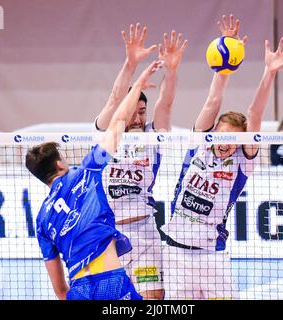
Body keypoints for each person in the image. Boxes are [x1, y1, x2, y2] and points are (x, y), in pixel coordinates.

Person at [161, 14, 283, 299]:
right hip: (174, 252)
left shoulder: (242, 162)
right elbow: (213, 100)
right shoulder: (199, 144)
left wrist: (269, 72)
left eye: (231, 140)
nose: (224, 144)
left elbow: (255, 114)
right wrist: (226, 58)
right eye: (221, 136)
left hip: (213, 256)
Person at [25, 60, 163, 300]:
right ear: (59, 163)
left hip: (79, 289)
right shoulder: (86, 174)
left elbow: (60, 291)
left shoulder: (42, 220)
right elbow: (118, 121)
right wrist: (138, 79)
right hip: (110, 281)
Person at [93, 23, 187, 299]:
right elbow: (114, 98)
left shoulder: (152, 137)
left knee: (153, 298)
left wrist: (171, 71)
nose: (138, 118)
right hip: (108, 236)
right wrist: (131, 63)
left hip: (144, 234)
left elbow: (166, 105)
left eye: (142, 112)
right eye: (134, 111)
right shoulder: (108, 133)